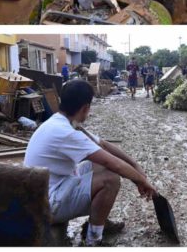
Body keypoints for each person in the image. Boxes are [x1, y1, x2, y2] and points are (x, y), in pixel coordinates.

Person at [24, 80, 157, 246]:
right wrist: (141, 181)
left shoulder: (61, 122)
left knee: (100, 165)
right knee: (110, 179)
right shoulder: (65, 132)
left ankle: (99, 220)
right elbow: (114, 164)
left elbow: (103, 145)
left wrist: (136, 166)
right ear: (85, 108)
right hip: (46, 204)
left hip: (49, 189)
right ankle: (93, 240)